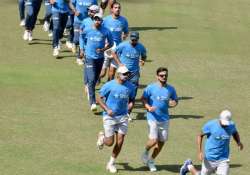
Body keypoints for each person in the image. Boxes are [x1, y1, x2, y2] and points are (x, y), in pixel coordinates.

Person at [96, 66, 136, 173]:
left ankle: (111, 163)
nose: (125, 76)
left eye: (127, 74)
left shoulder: (131, 87)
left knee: (120, 141)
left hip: (123, 117)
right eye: (123, 74)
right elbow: (98, 98)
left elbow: (132, 100)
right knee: (109, 143)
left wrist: (130, 106)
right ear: (118, 74)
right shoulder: (109, 85)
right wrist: (107, 109)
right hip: (109, 116)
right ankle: (102, 137)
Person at [180, 110, 244, 175]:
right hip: (209, 158)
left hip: (223, 159)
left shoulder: (231, 125)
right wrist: (200, 152)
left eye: (226, 123)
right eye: (223, 123)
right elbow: (200, 135)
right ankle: (189, 166)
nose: (225, 125)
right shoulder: (211, 125)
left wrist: (238, 142)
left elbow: (235, 132)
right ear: (220, 119)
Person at [141, 67, 178, 172]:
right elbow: (143, 98)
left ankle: (151, 161)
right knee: (154, 140)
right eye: (161, 75)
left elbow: (175, 100)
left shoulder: (171, 89)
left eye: (165, 75)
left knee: (162, 141)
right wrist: (148, 107)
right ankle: (145, 152)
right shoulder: (151, 87)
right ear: (157, 76)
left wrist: (173, 103)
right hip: (152, 117)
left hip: (164, 118)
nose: (164, 77)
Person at [79, 13, 113, 111]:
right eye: (95, 19)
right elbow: (81, 37)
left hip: (100, 58)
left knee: (96, 79)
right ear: (93, 20)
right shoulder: (88, 29)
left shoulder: (106, 31)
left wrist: (103, 49)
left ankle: (90, 90)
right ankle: (92, 102)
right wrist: (82, 49)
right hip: (89, 58)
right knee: (92, 79)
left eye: (99, 20)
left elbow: (111, 43)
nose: (97, 21)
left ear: (102, 21)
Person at [112, 31, 146, 95]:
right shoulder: (123, 45)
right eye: (132, 40)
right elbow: (114, 53)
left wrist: (143, 60)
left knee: (134, 87)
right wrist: (119, 63)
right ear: (130, 38)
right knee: (120, 86)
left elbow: (144, 55)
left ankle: (131, 101)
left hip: (134, 71)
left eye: (135, 40)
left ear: (138, 39)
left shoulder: (141, 47)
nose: (133, 41)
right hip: (123, 71)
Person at [101, 1, 129, 81]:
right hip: (106, 48)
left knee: (112, 72)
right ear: (112, 9)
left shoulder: (123, 20)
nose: (118, 9)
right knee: (103, 73)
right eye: (115, 8)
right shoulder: (106, 20)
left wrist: (125, 35)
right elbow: (99, 30)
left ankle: (108, 87)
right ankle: (94, 81)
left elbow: (126, 31)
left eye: (119, 8)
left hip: (117, 49)